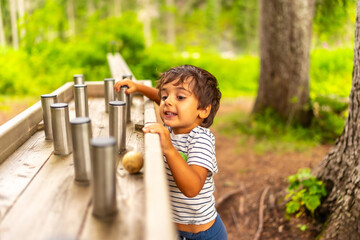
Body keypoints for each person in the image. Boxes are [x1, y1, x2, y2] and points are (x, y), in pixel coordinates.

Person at [114, 65, 227, 240]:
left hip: (202, 235)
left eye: (180, 97)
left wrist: (168, 148)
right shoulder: (172, 128)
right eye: (165, 95)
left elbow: (192, 188)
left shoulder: (200, 140)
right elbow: (160, 99)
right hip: (172, 228)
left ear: (203, 110)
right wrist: (138, 87)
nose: (168, 101)